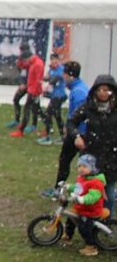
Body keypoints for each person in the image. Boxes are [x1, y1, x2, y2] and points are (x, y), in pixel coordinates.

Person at [66, 74, 117, 214]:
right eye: (100, 89)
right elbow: (71, 122)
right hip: (91, 156)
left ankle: (106, 221)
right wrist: (76, 136)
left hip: (111, 156)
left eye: (107, 90)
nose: (103, 93)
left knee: (109, 193)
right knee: (85, 189)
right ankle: (85, 218)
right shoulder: (88, 107)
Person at [41, 60, 89, 198]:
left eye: (64, 73)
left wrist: (74, 132)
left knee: (68, 161)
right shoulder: (78, 88)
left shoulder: (79, 91)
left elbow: (79, 115)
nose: (63, 76)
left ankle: (61, 189)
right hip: (77, 132)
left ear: (70, 75)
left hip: (78, 135)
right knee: (70, 161)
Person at [61, 154, 107, 257]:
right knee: (70, 219)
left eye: (85, 166)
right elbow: (79, 188)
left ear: (93, 168)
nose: (81, 169)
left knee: (84, 227)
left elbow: (93, 196)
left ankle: (91, 247)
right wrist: (69, 187)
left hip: (90, 210)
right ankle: (68, 236)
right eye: (80, 166)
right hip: (81, 208)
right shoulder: (82, 178)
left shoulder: (96, 182)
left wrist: (82, 199)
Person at [10, 44, 43, 138]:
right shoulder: (32, 62)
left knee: (31, 109)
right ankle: (46, 127)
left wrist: (34, 92)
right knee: (35, 109)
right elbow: (23, 71)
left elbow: (38, 80)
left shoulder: (37, 64)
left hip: (33, 90)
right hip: (30, 89)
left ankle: (23, 129)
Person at [36, 53, 66, 145]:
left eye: (56, 60)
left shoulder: (61, 69)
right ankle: (63, 136)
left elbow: (55, 79)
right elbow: (47, 77)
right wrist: (42, 79)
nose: (54, 62)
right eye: (52, 60)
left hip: (59, 96)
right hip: (54, 96)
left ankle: (47, 136)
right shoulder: (52, 69)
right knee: (57, 116)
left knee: (49, 114)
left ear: (58, 60)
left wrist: (48, 83)